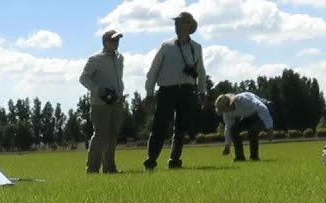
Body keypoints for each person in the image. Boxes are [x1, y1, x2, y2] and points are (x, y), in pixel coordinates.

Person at [142, 12, 208, 170]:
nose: (177, 25)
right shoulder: (166, 46)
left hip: (187, 90)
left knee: (181, 127)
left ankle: (175, 160)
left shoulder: (196, 48)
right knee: (160, 126)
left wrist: (202, 91)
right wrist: (149, 93)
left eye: (181, 22)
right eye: (176, 22)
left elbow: (201, 71)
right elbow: (153, 71)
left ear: (189, 26)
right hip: (167, 91)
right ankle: (151, 160)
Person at [79, 30, 126, 174]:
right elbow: (83, 78)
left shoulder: (120, 58)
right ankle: (92, 169)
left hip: (116, 101)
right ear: (105, 42)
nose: (116, 43)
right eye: (113, 40)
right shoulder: (95, 59)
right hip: (100, 103)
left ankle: (109, 168)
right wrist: (98, 90)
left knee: (112, 135)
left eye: (117, 40)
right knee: (100, 135)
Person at [215, 92, 273, 161]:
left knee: (252, 131)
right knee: (233, 129)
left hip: (262, 110)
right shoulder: (226, 113)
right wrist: (227, 145)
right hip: (247, 115)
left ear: (229, 104)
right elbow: (228, 128)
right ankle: (239, 157)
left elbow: (262, 108)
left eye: (224, 109)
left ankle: (254, 157)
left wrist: (270, 129)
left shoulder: (243, 100)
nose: (224, 112)